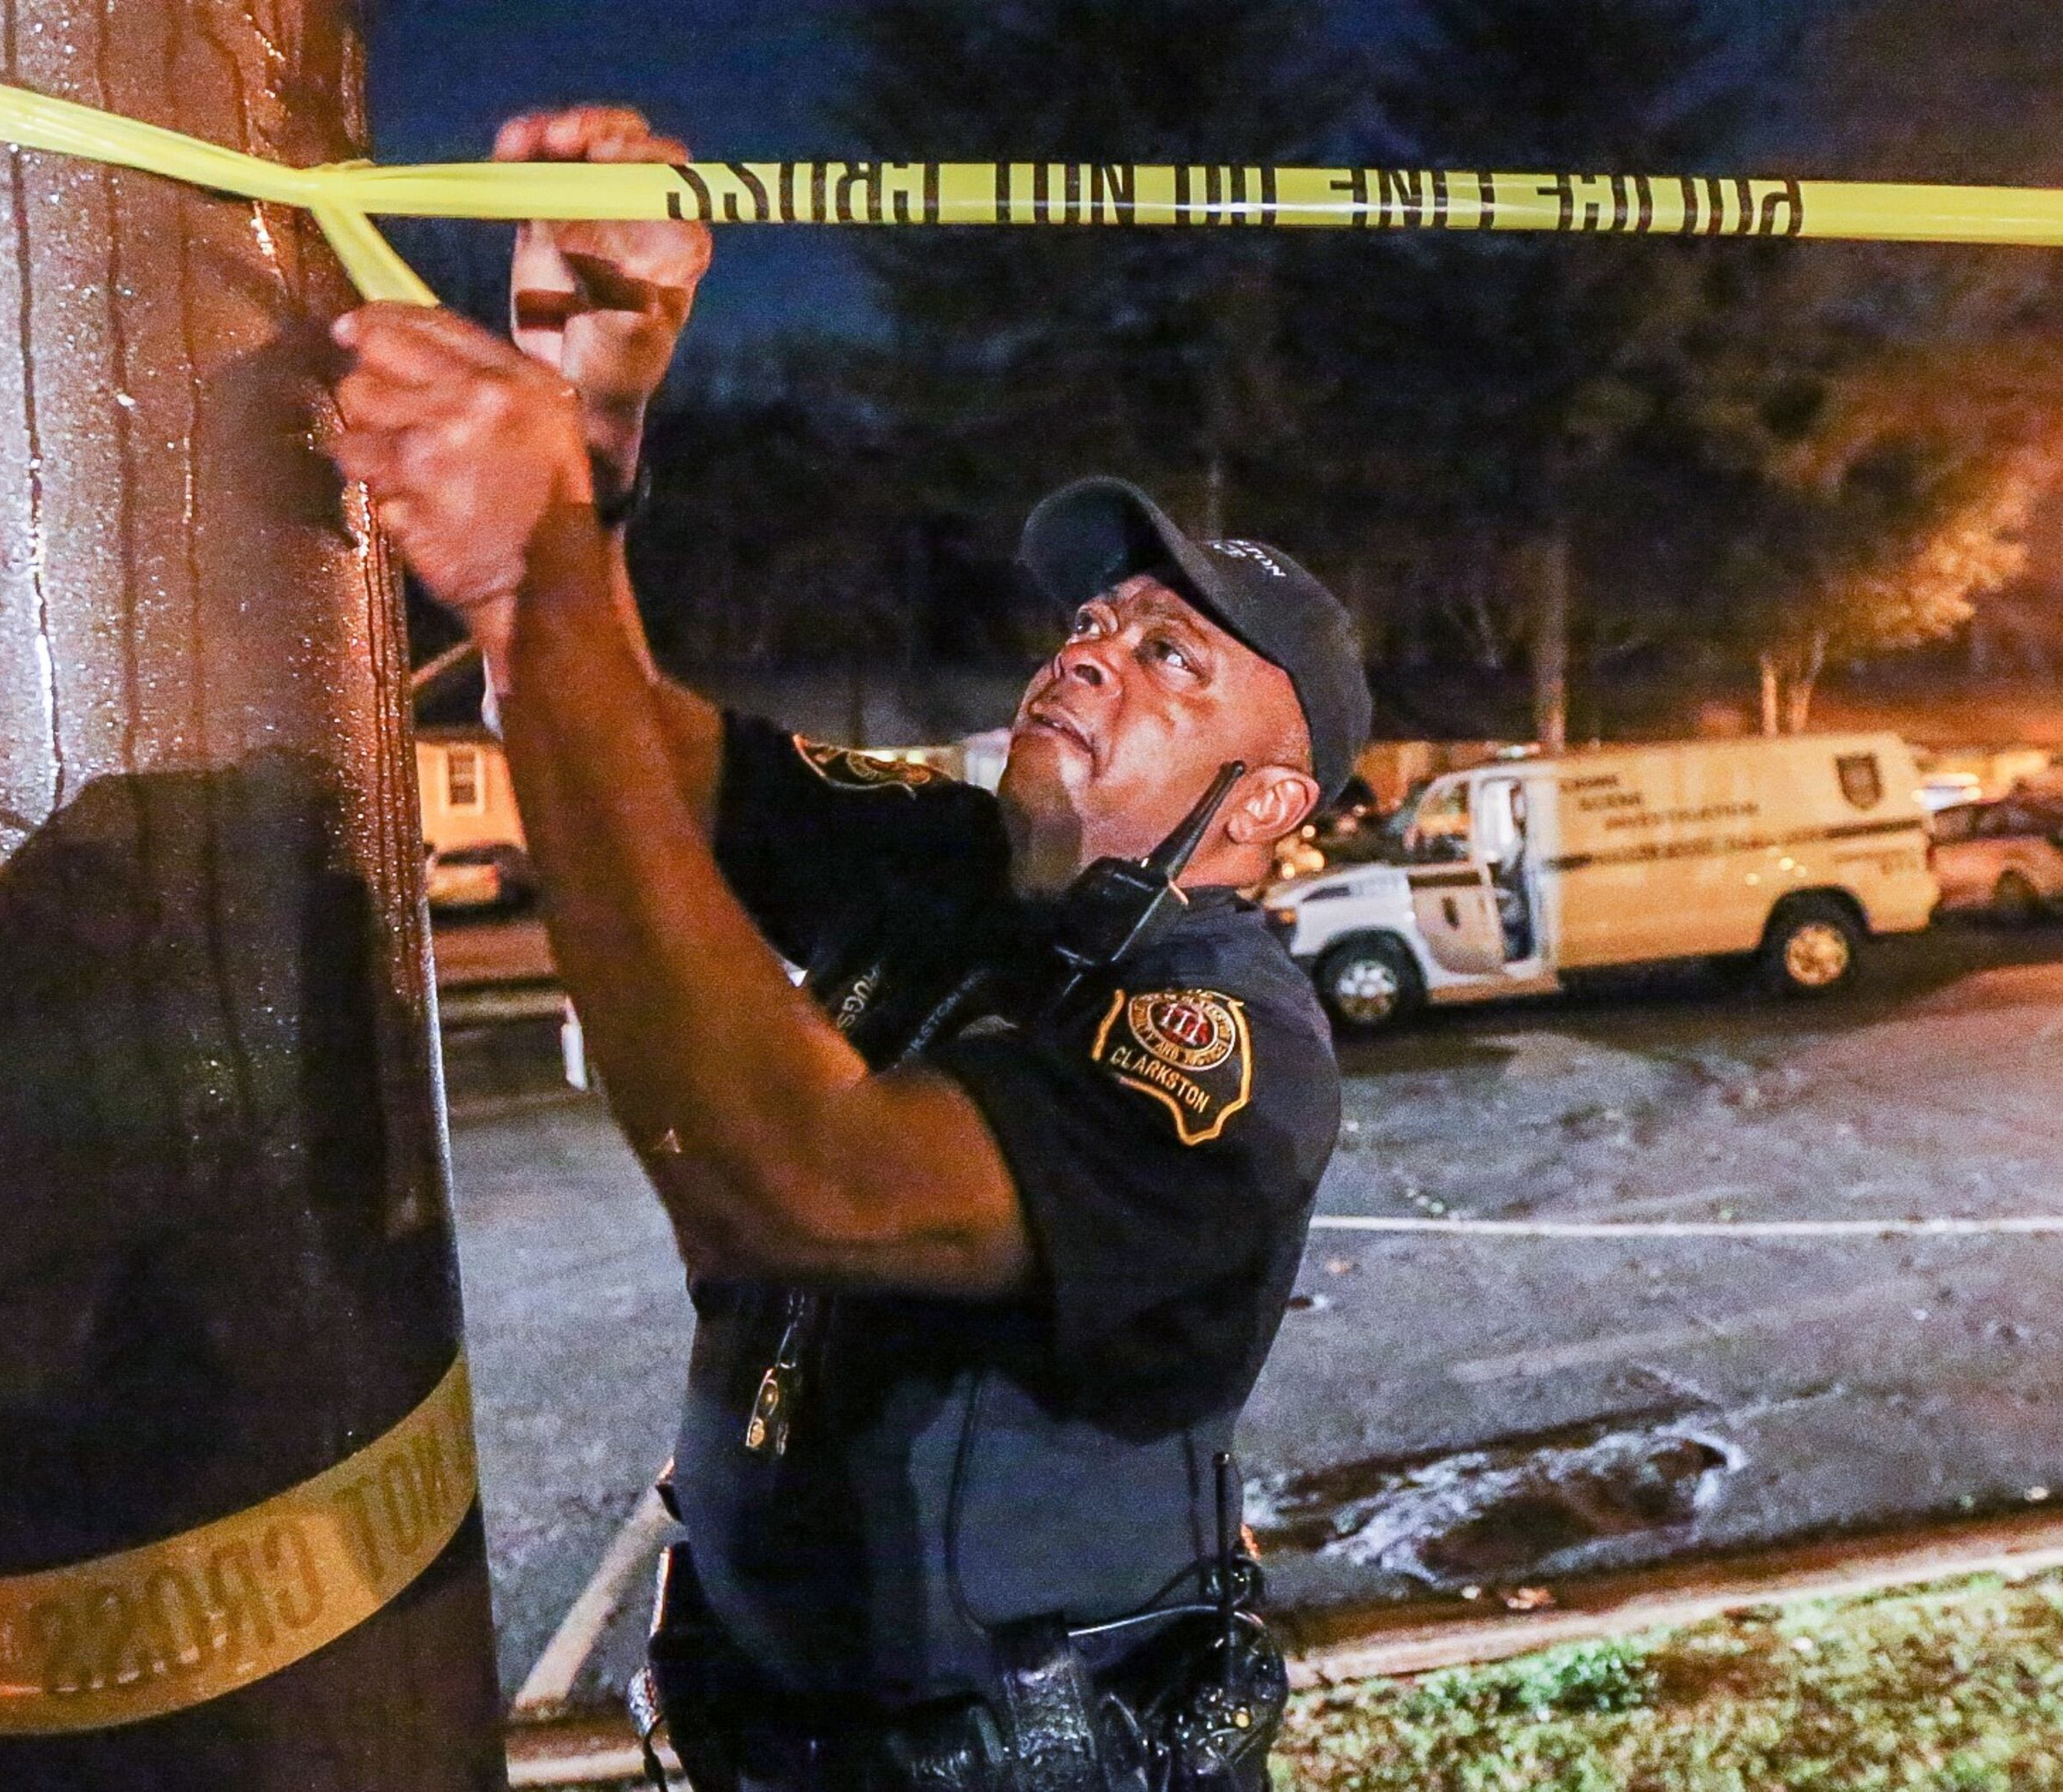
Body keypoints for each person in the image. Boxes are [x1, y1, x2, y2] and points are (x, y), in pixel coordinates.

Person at [324, 108, 1369, 1792]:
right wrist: (589, 434)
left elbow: (796, 1178)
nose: (1091, 650)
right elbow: (636, 741)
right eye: (1094, 622)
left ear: (1263, 808)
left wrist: (543, 561)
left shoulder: (1233, 1047)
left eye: (1172, 658)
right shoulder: (957, 872)